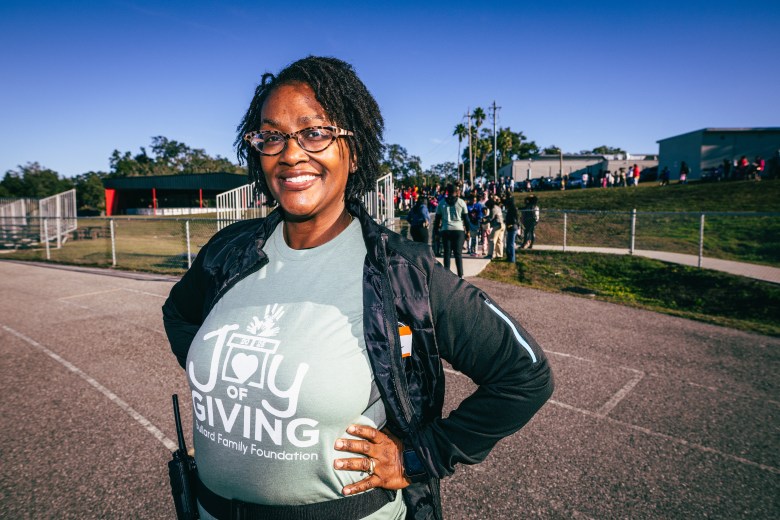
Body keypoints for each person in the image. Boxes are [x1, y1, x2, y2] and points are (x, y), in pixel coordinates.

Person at [161, 56, 552, 520]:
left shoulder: (402, 271)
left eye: (314, 132)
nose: (290, 154)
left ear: (356, 149)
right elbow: (178, 314)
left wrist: (421, 456)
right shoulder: (228, 251)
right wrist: (230, 384)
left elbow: (523, 376)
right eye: (271, 136)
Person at [434, 184, 469, 278]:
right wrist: (468, 231)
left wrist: (436, 232)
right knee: (458, 253)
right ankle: (460, 275)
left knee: (447, 253)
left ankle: (447, 275)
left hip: (446, 229)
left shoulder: (441, 203)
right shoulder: (461, 202)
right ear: (456, 192)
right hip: (458, 230)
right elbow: (466, 219)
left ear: (447, 192)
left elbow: (437, 220)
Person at [503, 194, 519, 263]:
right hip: (512, 227)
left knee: (511, 244)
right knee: (509, 243)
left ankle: (512, 259)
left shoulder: (512, 210)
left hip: (512, 227)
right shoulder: (512, 209)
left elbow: (513, 219)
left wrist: (508, 222)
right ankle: (509, 257)